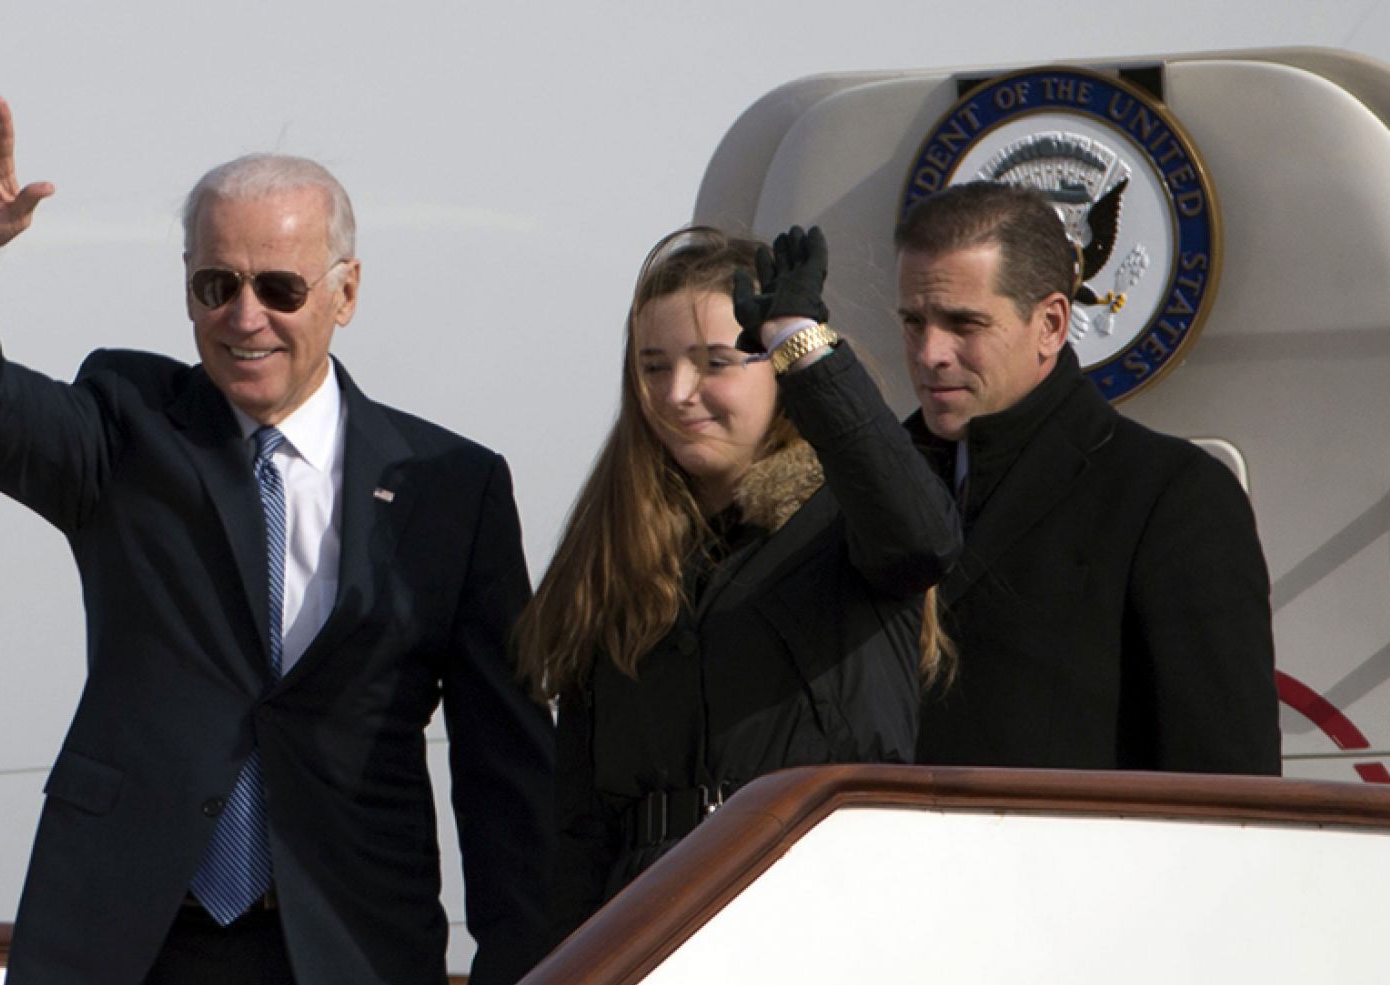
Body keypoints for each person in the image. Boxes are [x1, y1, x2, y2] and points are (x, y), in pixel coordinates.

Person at [0, 82, 552, 985]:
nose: (246, 317)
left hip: (357, 957)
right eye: (216, 285)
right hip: (150, 950)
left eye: (280, 287)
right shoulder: (127, 421)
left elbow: (507, 769)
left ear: (346, 292)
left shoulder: (452, 486)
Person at [516, 226, 962, 939]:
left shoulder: (849, 516)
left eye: (714, 362)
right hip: (646, 925)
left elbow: (924, 540)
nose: (678, 394)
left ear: (778, 370)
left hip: (821, 908)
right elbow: (579, 825)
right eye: (654, 367)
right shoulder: (613, 549)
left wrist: (802, 342)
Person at [894, 180, 1280, 773]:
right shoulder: (866, 487)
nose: (929, 353)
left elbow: (1226, 781)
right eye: (914, 322)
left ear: (1050, 324)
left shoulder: (1169, 495)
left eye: (963, 325)